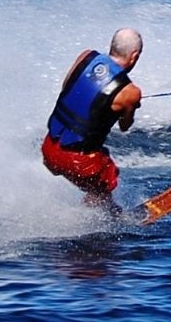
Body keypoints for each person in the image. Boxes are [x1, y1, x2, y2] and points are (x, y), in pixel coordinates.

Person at [41, 28, 144, 215]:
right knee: (105, 182)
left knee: (101, 167)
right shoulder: (131, 92)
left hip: (49, 147)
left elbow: (67, 87)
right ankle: (103, 221)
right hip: (78, 160)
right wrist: (131, 106)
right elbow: (124, 126)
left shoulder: (85, 57)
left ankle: (102, 212)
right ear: (134, 56)